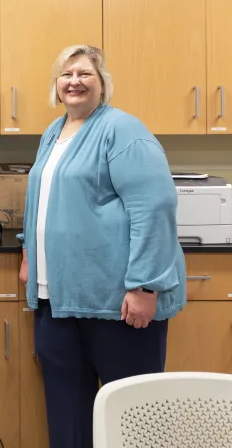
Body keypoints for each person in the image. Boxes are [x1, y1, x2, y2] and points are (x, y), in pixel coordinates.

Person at [16, 44, 186, 447]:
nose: (74, 81)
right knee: (67, 416)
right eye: (66, 74)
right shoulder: (53, 133)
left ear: (102, 84)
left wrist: (145, 285)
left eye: (84, 74)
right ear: (56, 85)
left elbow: (154, 206)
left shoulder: (122, 130)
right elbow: (40, 200)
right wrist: (28, 254)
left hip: (117, 305)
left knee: (132, 421)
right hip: (57, 301)